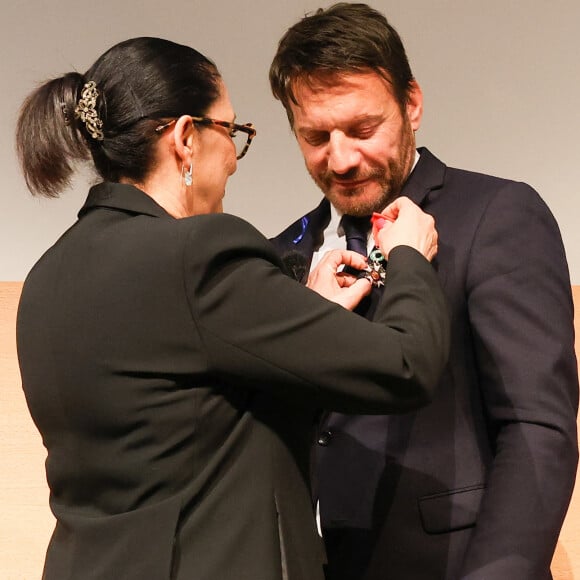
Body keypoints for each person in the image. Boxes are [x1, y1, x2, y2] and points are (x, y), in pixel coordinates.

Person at [14, 36, 449, 580]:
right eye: (232, 132)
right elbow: (405, 364)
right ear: (185, 138)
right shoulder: (196, 253)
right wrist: (408, 254)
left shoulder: (46, 278)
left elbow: (191, 420)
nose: (235, 162)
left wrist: (307, 315)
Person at [269, 3, 579, 579]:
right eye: (316, 135)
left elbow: (538, 430)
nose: (340, 158)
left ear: (412, 104)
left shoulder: (497, 215)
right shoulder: (279, 254)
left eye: (363, 129)